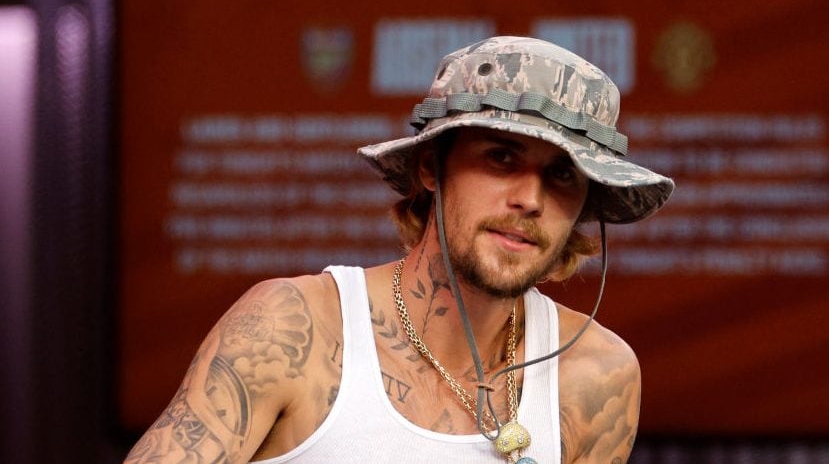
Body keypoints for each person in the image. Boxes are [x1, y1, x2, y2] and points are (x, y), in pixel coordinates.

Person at [125, 36, 674, 463]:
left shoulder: (597, 375)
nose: (530, 198)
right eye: (501, 158)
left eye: (561, 175)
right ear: (431, 166)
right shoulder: (294, 329)